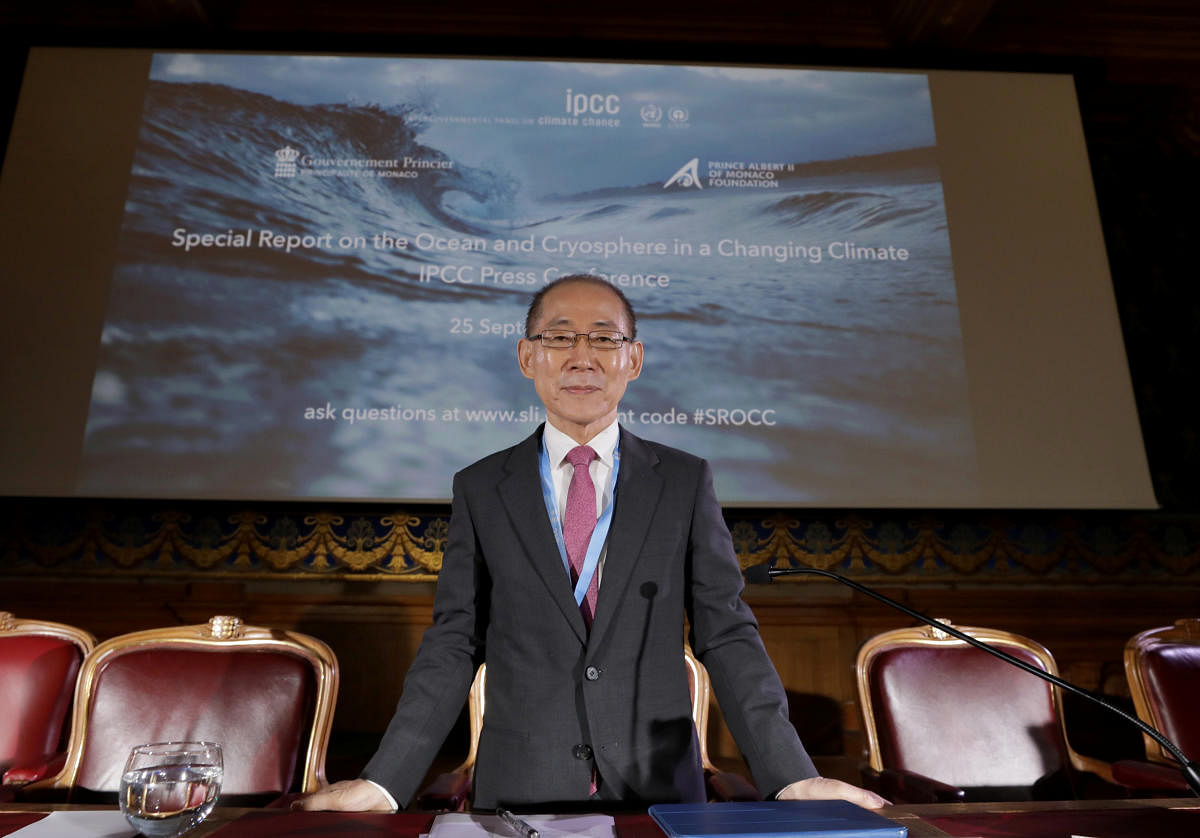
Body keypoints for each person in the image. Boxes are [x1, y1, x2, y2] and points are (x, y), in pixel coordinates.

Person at [297, 274, 885, 812]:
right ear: (528, 357)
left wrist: (790, 777)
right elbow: (454, 642)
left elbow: (726, 632)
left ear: (635, 359)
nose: (582, 357)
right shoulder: (481, 487)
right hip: (521, 795)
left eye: (605, 339)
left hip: (656, 792)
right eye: (559, 338)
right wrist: (386, 781)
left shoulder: (682, 481)